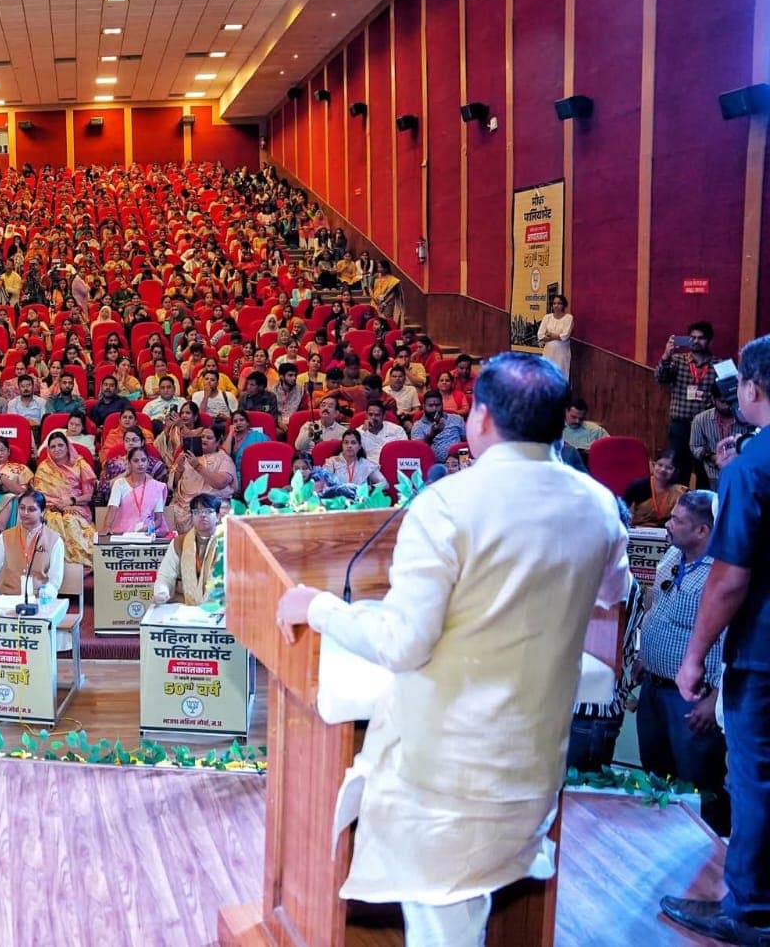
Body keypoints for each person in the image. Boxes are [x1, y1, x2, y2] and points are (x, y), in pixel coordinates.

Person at [275, 352, 630, 947]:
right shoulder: (597, 504)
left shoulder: (448, 504)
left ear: (482, 418)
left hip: (448, 773)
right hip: (535, 762)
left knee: (446, 925)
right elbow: (610, 591)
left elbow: (402, 644)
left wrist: (318, 608)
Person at [663, 334, 770, 944]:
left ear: (751, 388)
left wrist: (696, 654)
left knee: (754, 778)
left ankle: (750, 910)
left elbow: (729, 579)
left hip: (762, 651)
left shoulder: (752, 467)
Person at [632, 489, 729, 834]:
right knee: (656, 777)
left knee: (698, 786)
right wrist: (645, 656)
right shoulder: (673, 555)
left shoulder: (724, 574)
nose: (668, 524)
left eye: (678, 520)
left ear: (703, 531)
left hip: (691, 700)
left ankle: (709, 870)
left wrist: (715, 699)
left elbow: (733, 639)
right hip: (654, 689)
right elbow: (657, 607)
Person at [655, 322, 718, 487]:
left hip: (707, 427)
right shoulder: (677, 360)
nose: (696, 341)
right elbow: (661, 378)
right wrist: (666, 355)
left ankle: (702, 509)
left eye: (701, 338)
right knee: (678, 471)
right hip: (680, 426)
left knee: (704, 472)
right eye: (693, 338)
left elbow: (730, 394)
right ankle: (677, 508)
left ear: (710, 341)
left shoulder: (719, 365)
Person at [0, 490, 65, 601]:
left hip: (39, 600)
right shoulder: (5, 537)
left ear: (42, 512)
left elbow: (55, 579)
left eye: (31, 509)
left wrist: (47, 594)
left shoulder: (55, 540)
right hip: (7, 599)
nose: (25, 513)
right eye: (22, 508)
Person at [32, 432, 98, 564]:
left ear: (68, 447)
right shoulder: (43, 467)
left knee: (69, 519)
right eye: (53, 446)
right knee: (53, 520)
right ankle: (56, 564)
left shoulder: (80, 465)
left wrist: (71, 501)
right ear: (49, 449)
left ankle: (81, 563)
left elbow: (89, 496)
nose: (57, 449)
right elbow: (39, 496)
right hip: (50, 508)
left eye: (61, 445)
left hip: (77, 507)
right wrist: (55, 505)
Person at [151, 493, 223, 605]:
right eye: (196, 512)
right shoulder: (179, 542)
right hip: (184, 605)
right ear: (192, 516)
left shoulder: (228, 542)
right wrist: (162, 591)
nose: (202, 515)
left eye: (208, 511)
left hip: (219, 606)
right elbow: (166, 575)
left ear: (218, 516)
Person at [164, 425, 237, 533]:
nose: (204, 440)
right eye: (202, 437)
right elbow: (173, 485)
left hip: (213, 505)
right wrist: (179, 468)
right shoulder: (187, 456)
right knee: (167, 515)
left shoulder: (224, 459)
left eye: (209, 438)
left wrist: (197, 466)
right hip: (183, 505)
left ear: (218, 442)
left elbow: (220, 483)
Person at [691, 384, 751, 490]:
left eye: (731, 401)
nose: (728, 406)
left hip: (742, 473)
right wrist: (712, 456)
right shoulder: (700, 419)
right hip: (711, 475)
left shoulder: (747, 417)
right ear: (713, 400)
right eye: (723, 402)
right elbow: (695, 447)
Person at [100, 447, 168, 536]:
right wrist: (107, 526)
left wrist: (148, 529)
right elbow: (113, 508)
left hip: (148, 532)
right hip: (124, 531)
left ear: (148, 463)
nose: (140, 464)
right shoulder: (120, 484)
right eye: (136, 461)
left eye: (143, 460)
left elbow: (158, 520)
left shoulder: (156, 486)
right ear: (129, 464)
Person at [624, 451, 685, 528]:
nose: (663, 469)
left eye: (669, 468)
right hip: (639, 531)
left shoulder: (680, 491)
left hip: (667, 532)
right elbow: (622, 510)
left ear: (676, 471)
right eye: (660, 465)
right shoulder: (637, 486)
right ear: (653, 465)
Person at [409, 390, 467, 461]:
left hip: (459, 462)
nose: (434, 409)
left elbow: (466, 442)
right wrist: (432, 435)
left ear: (442, 404)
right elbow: (417, 450)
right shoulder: (418, 426)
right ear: (423, 406)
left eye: (437, 405)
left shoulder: (457, 419)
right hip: (434, 466)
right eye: (430, 405)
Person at [560, 398, 608, 465]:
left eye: (581, 418)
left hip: (589, 464)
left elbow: (610, 448)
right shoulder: (555, 429)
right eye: (574, 417)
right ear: (566, 412)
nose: (577, 421)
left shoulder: (596, 430)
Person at [537, 294, 574, 375]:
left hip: (562, 354)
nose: (556, 306)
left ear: (564, 305)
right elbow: (540, 335)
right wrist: (557, 336)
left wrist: (550, 335)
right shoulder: (547, 317)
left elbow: (565, 336)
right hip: (548, 353)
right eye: (554, 303)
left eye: (559, 303)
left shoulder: (568, 318)